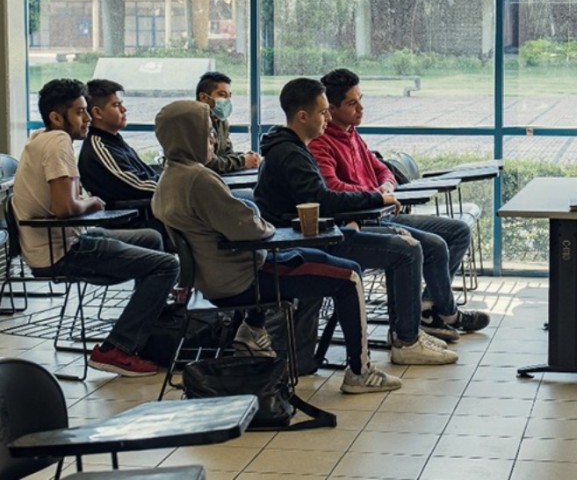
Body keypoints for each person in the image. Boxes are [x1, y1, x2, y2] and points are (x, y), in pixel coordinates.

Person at [151, 99, 401, 394]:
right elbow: (248, 228)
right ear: (188, 136)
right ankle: (361, 371)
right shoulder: (199, 179)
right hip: (244, 278)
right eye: (207, 132)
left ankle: (253, 329)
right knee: (349, 276)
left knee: (313, 257)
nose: (213, 139)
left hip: (215, 280)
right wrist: (262, 220)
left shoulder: (169, 178)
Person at [254, 78, 465, 365]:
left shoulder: (305, 146)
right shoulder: (296, 152)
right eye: (324, 111)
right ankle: (406, 339)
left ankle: (413, 328)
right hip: (313, 239)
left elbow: (379, 171)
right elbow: (325, 197)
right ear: (303, 116)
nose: (327, 118)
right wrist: (374, 200)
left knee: (420, 243)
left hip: (330, 230)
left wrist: (382, 191)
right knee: (408, 249)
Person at [12, 78, 178, 377]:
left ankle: (147, 329)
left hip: (62, 241)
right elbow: (66, 207)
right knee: (166, 266)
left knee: (152, 238)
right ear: (56, 117)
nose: (87, 118)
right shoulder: (58, 141)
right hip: (63, 250)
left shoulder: (40, 138)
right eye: (79, 112)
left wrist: (83, 201)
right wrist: (91, 203)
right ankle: (117, 348)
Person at [311, 68, 487, 340]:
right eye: (352, 103)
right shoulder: (321, 142)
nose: (361, 108)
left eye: (361, 99)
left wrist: (387, 186)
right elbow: (332, 187)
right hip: (361, 221)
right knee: (434, 245)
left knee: (458, 231)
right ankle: (446, 314)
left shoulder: (352, 134)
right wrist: (375, 195)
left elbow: (383, 169)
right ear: (330, 109)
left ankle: (430, 308)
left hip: (381, 213)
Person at [78, 79, 159, 205]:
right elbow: (137, 186)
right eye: (116, 105)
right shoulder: (100, 147)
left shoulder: (113, 140)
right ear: (97, 113)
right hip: (133, 221)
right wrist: (174, 190)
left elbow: (146, 175)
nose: (124, 109)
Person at [196, 71, 261, 174]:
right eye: (222, 95)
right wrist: (243, 161)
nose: (227, 101)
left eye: (229, 96)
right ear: (203, 97)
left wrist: (248, 157)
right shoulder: (195, 122)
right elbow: (209, 163)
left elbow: (227, 153)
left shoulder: (221, 121)